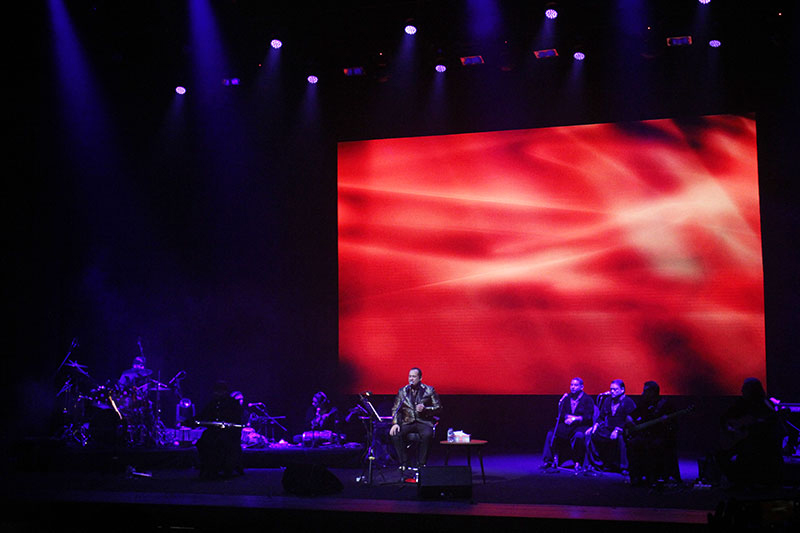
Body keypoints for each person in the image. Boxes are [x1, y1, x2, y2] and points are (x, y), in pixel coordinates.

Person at [717, 377, 783, 486]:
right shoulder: (742, 404)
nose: (741, 391)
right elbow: (725, 418)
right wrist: (731, 428)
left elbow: (768, 424)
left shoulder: (764, 405)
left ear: (752, 390)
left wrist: (753, 425)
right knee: (721, 455)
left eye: (744, 388)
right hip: (747, 441)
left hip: (760, 444)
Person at [625, 381, 681, 485]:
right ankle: (636, 476)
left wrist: (667, 423)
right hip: (645, 435)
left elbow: (674, 426)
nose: (642, 393)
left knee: (653, 446)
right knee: (632, 443)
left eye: (645, 391)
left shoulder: (666, 405)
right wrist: (630, 421)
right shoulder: (644, 404)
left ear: (653, 392)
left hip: (661, 436)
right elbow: (631, 415)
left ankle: (654, 477)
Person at [389, 367, 442, 468]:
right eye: (410, 376)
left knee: (427, 435)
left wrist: (425, 409)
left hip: (423, 421)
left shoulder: (429, 390)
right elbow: (396, 408)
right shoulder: (403, 391)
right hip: (408, 421)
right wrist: (395, 423)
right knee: (395, 434)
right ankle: (404, 463)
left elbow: (438, 407)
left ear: (420, 378)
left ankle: (422, 464)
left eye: (414, 376)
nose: (411, 379)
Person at [541, 377, 594, 472]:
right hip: (568, 425)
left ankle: (578, 462)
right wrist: (567, 417)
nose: (573, 387)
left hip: (581, 425)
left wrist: (575, 418)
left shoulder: (587, 399)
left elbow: (588, 416)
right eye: (571, 385)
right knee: (551, 433)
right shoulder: (567, 398)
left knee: (579, 435)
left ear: (581, 387)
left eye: (575, 385)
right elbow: (561, 413)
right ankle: (548, 460)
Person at [195, 381, 244, 478]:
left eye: (220, 391)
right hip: (214, 431)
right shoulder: (212, 403)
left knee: (222, 441)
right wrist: (189, 421)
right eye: (216, 392)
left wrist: (227, 423)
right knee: (202, 441)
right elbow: (203, 415)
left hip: (230, 432)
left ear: (225, 392)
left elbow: (237, 418)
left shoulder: (233, 403)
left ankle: (226, 467)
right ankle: (209, 467)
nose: (218, 394)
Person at [585, 379, 636, 473]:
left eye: (615, 389)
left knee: (620, 438)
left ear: (622, 390)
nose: (612, 391)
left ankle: (623, 467)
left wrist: (617, 429)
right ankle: (597, 463)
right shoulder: (608, 400)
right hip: (608, 428)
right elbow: (601, 416)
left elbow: (630, 420)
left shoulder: (628, 402)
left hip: (622, 429)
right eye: (611, 389)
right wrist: (595, 425)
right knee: (591, 434)